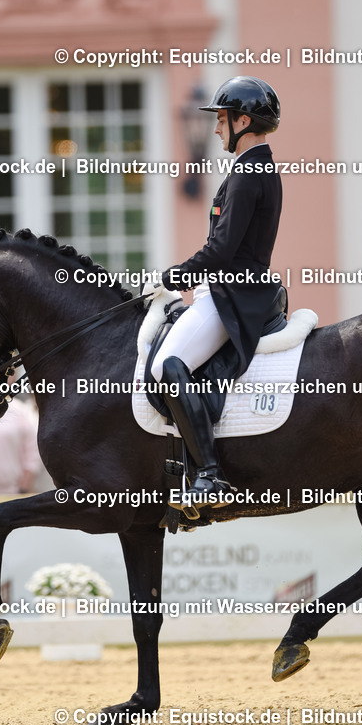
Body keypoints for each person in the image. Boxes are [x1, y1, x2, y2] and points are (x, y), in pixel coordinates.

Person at [152, 76, 283, 511]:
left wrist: (176, 275)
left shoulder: (249, 171)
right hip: (230, 288)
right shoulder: (253, 167)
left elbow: (222, 248)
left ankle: (209, 474)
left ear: (244, 120)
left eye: (222, 120)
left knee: (169, 365)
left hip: (233, 295)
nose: (215, 129)